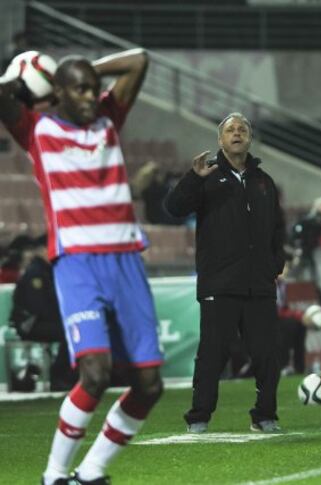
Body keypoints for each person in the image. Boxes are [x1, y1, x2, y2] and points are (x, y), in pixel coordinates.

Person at [0, 48, 163, 485]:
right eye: (81, 88)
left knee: (150, 385)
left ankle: (91, 473)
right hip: (77, 262)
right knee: (95, 373)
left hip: (126, 259)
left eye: (94, 88)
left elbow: (139, 61)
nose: (92, 95)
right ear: (58, 93)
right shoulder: (36, 129)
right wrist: (22, 80)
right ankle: (54, 476)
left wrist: (86, 68)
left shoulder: (110, 117)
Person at [164, 112, 285, 433]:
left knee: (266, 355)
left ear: (249, 138)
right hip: (219, 282)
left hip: (259, 285)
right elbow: (173, 208)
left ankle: (265, 416)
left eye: (242, 129)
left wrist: (274, 266)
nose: (236, 133)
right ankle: (199, 418)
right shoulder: (207, 176)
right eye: (230, 129)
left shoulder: (264, 181)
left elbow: (277, 228)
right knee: (212, 355)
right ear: (220, 140)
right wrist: (193, 178)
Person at [10, 234, 76, 391]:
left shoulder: (47, 271)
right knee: (70, 332)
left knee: (72, 330)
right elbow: (40, 308)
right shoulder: (36, 274)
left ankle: (66, 376)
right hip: (30, 325)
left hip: (40, 322)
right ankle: (59, 377)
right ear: (42, 250)